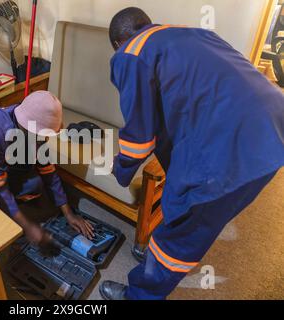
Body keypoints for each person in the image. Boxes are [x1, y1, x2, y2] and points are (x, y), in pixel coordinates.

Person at [99, 7, 284, 300]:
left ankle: (138, 294)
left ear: (117, 43)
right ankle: (157, 256)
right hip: (274, 132)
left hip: (228, 153)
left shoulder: (130, 53)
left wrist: (119, 170)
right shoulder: (192, 34)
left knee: (180, 236)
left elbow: (139, 138)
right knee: (184, 214)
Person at [0, 91, 94, 248]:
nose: (45, 139)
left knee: (34, 185)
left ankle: (3, 206)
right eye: (43, 135)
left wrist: (68, 213)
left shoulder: (28, 126)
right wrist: (27, 226)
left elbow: (48, 170)